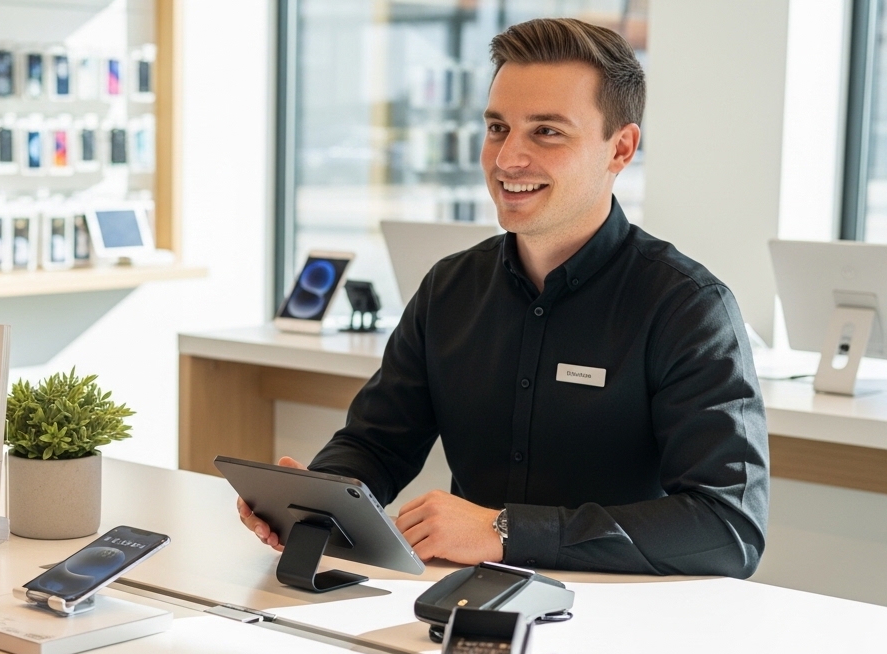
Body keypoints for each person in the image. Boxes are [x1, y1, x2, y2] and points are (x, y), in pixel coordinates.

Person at [240, 18, 769, 578]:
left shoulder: (688, 307)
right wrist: (314, 502)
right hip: (457, 606)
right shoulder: (449, 289)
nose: (507, 158)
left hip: (624, 619)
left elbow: (727, 528)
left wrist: (505, 531)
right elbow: (377, 443)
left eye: (547, 131)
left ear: (621, 148)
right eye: (498, 127)